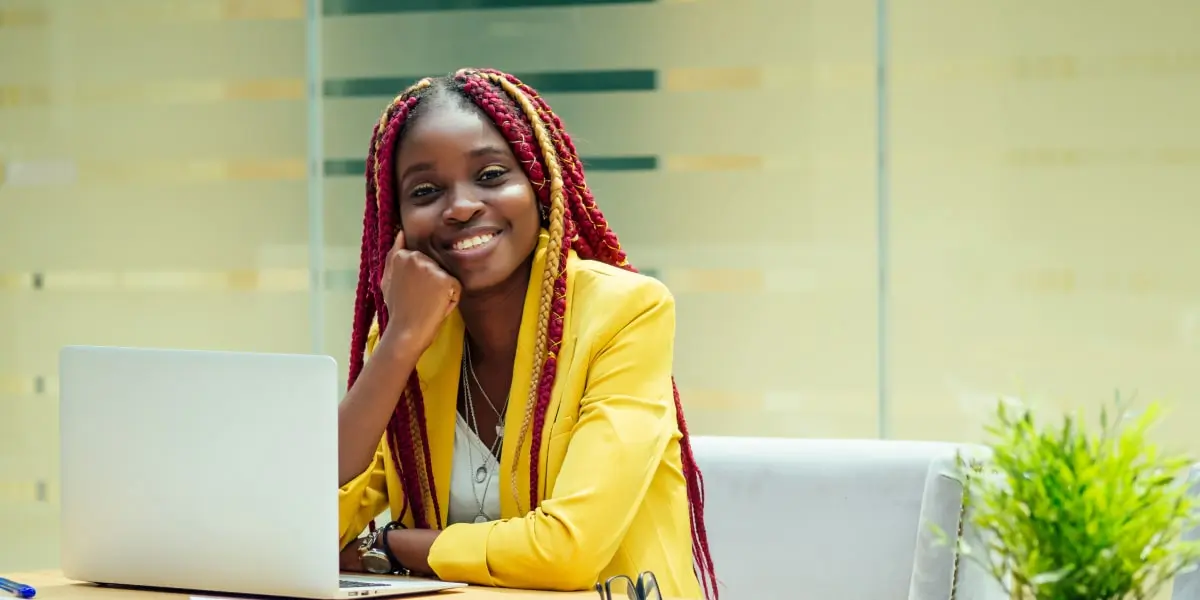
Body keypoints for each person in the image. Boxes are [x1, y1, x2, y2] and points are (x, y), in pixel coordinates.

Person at [335, 68, 717, 600]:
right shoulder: (410, 331)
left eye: (490, 175)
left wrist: (396, 546)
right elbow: (305, 519)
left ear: (539, 186)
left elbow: (568, 550)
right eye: (425, 190)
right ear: (394, 219)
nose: (461, 205)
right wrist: (398, 346)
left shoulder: (624, 311)